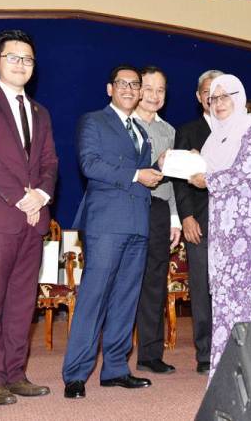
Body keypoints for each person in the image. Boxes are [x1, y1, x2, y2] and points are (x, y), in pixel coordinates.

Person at [0, 29, 58, 405]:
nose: (21, 64)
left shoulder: (41, 112)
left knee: (22, 302)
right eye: (13, 57)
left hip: (32, 219)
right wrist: (22, 197)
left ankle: (16, 374)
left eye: (28, 59)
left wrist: (41, 195)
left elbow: (50, 161)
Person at [62, 65, 163, 399]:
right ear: (110, 88)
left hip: (138, 222)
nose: (130, 89)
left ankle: (116, 369)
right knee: (93, 298)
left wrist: (165, 165)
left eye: (136, 85)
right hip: (106, 223)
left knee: (126, 299)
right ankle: (76, 374)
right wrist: (137, 175)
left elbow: (145, 174)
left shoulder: (141, 131)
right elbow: (89, 164)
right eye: (123, 84)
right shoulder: (94, 121)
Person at [189, 74, 251, 381]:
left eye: (226, 96)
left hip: (248, 232)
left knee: (249, 302)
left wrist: (208, 180)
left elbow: (250, 172)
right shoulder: (215, 137)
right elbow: (204, 169)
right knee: (224, 304)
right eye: (214, 98)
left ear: (239, 97)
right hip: (222, 233)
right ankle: (226, 378)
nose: (220, 103)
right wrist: (184, 163)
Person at [173, 69, 223, 374]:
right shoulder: (188, 130)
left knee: (230, 289)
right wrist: (187, 216)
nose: (212, 96)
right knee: (203, 289)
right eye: (207, 91)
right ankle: (205, 355)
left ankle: (232, 350)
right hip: (200, 223)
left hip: (233, 225)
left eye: (218, 90)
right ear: (198, 96)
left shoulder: (239, 129)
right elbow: (180, 181)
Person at [133, 66, 180, 374]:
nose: (154, 95)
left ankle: (150, 354)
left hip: (160, 210)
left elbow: (174, 179)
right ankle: (114, 354)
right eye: (148, 88)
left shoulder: (169, 131)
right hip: (128, 207)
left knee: (154, 285)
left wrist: (175, 217)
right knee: (123, 283)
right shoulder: (122, 124)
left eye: (160, 90)